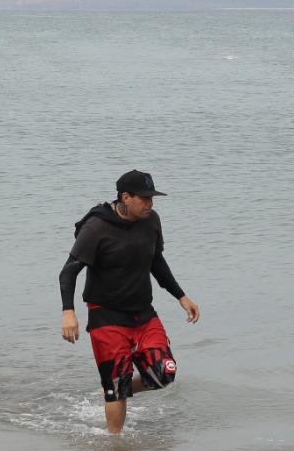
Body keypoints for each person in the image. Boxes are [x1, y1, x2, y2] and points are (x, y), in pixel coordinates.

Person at [59, 170, 201, 434]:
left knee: (164, 373)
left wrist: (181, 296)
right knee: (116, 387)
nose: (150, 204)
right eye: (144, 198)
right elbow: (68, 271)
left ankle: (115, 385)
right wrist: (69, 312)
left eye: (152, 198)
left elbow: (156, 261)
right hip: (106, 316)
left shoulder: (151, 221)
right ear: (126, 197)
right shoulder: (96, 227)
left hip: (143, 314)